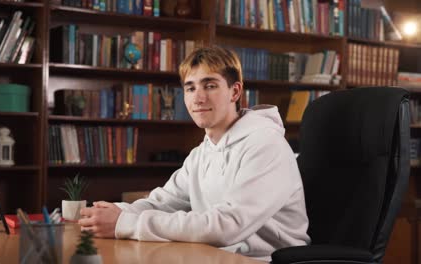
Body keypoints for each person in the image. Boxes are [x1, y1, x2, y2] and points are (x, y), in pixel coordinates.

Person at [79, 46, 310, 261]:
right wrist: (112, 212)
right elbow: (162, 202)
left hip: (263, 260)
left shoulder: (266, 145)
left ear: (235, 91)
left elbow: (227, 225)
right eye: (190, 88)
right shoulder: (203, 152)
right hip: (215, 256)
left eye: (210, 85)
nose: (198, 98)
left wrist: (125, 223)